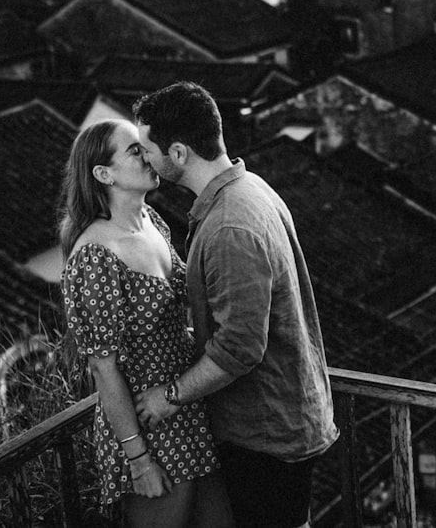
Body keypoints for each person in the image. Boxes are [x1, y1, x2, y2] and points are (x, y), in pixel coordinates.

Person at [131, 82, 339, 528]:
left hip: (265, 432)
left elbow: (240, 347)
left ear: (180, 153)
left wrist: (169, 397)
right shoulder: (250, 188)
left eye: (148, 149)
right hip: (279, 421)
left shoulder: (229, 225)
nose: (144, 158)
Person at [58, 119, 231, 527]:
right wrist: (138, 460)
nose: (148, 153)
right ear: (104, 174)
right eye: (134, 150)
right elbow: (103, 366)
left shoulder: (151, 221)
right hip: (149, 429)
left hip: (184, 406)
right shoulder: (96, 255)